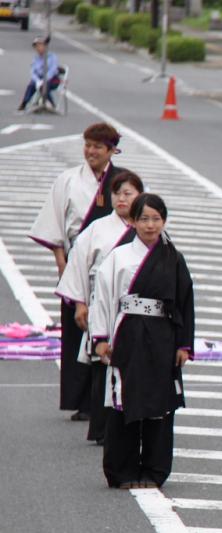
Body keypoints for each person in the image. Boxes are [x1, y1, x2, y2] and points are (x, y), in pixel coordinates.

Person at [90, 193, 194, 489]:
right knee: (124, 399)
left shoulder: (173, 258)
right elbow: (103, 299)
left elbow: (185, 302)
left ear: (164, 221)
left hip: (163, 337)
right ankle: (121, 470)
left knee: (160, 403)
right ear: (133, 221)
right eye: (144, 219)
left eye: (156, 219)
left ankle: (154, 470)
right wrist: (101, 338)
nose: (150, 225)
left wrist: (183, 345)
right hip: (128, 334)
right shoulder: (118, 257)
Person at [29, 123, 127, 422]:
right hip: (76, 261)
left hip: (113, 265)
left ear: (111, 150)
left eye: (98, 146)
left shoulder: (121, 182)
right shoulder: (69, 180)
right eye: (88, 145)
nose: (91, 151)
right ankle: (79, 398)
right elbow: (55, 222)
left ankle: (104, 397)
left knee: (108, 329)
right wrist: (62, 261)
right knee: (76, 328)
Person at [55, 172, 143, 445]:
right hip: (102, 303)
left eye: (128, 193)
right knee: (102, 364)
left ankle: (129, 422)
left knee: (131, 366)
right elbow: (79, 265)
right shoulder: (97, 228)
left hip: (134, 309)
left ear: (140, 195)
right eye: (117, 193)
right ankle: (102, 427)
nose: (121, 198)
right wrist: (80, 303)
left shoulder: (147, 228)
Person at [17, 35, 60, 111]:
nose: (38, 48)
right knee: (32, 84)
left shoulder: (52, 57)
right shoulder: (36, 58)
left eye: (40, 45)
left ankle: (52, 103)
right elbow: (33, 71)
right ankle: (24, 102)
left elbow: (52, 70)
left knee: (44, 86)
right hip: (39, 78)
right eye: (36, 46)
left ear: (45, 46)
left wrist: (44, 80)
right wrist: (37, 80)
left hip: (52, 79)